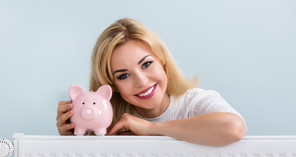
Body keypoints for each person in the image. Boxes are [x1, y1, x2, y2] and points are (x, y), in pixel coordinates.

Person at [56, 18, 247, 146]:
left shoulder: (193, 102)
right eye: (123, 75)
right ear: (112, 85)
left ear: (162, 60)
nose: (142, 81)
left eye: (146, 64)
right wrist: (72, 143)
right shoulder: (109, 124)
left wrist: (151, 129)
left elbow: (234, 127)